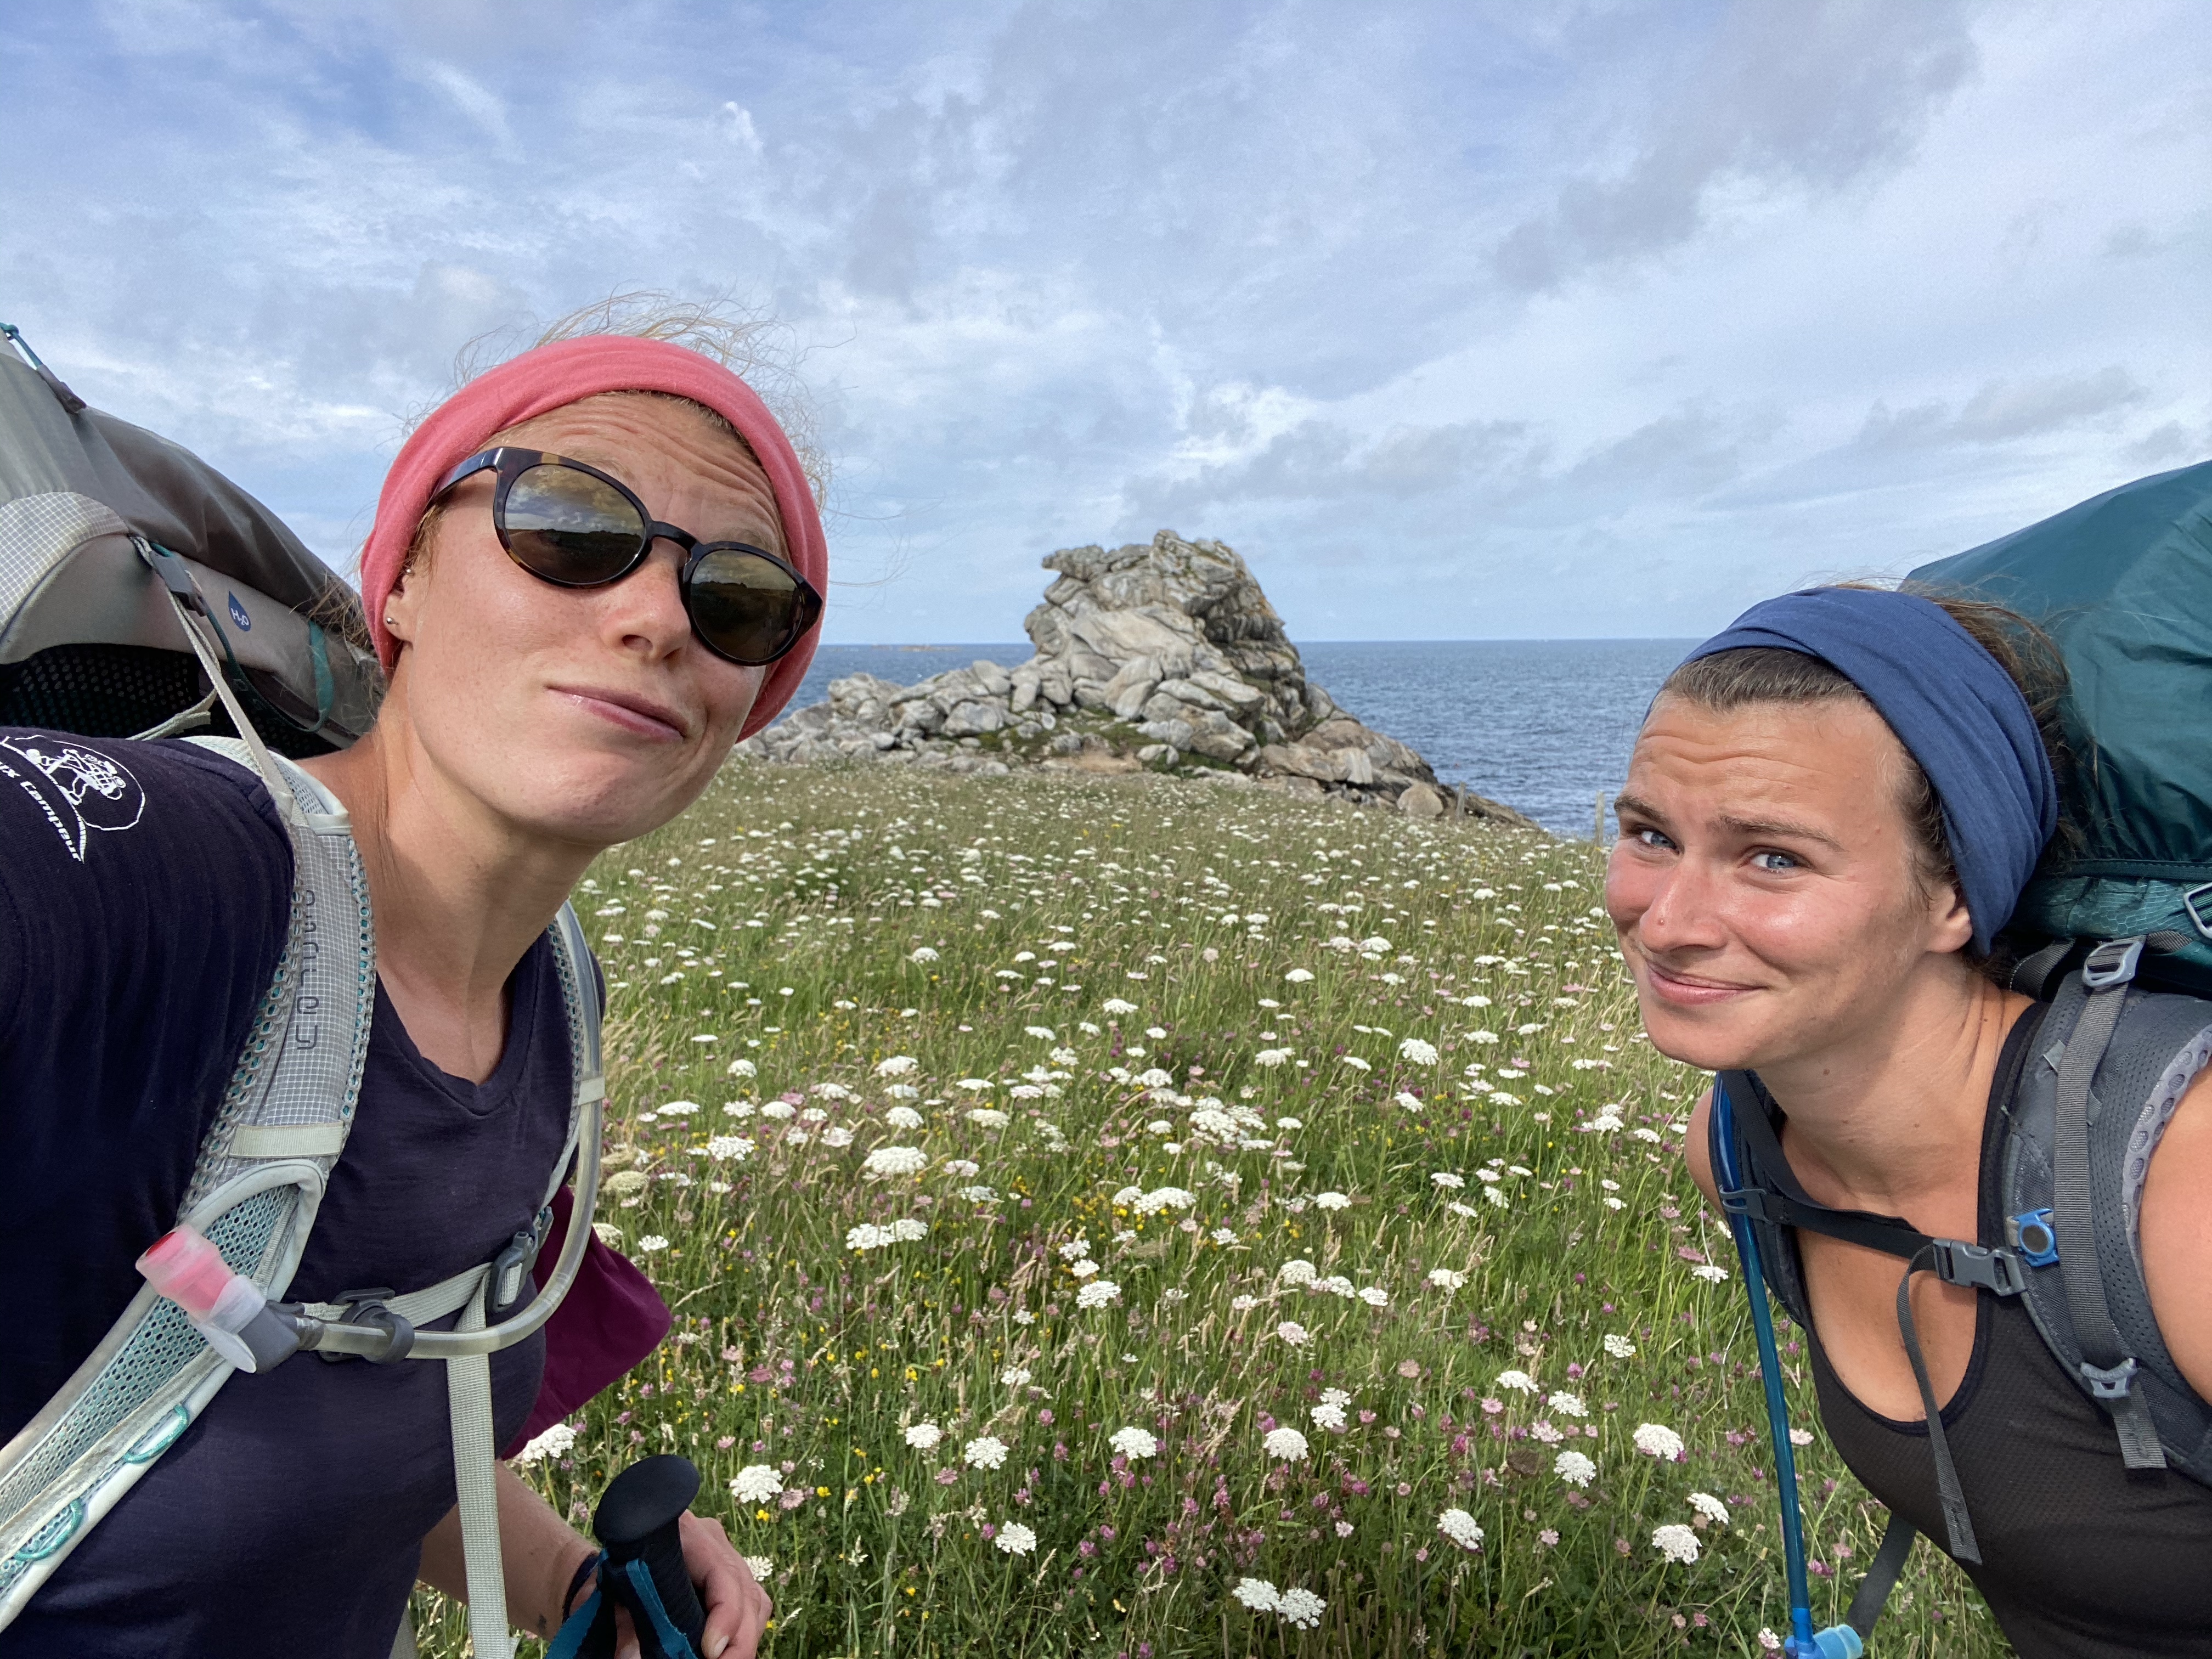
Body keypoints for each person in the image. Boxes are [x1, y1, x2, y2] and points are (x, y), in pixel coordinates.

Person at [0, 310, 826, 1658]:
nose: (655, 617)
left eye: (737, 600)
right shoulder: (138, 869)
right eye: (570, 526)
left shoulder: (557, 1004)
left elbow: (345, 1408)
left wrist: (567, 1579)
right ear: (405, 582)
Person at [1605, 585, 2212, 1657]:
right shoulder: (1741, 1152)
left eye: (1774, 857)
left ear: (1955, 896)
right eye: (1651, 834)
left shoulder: (2175, 1173)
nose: (1667, 922)